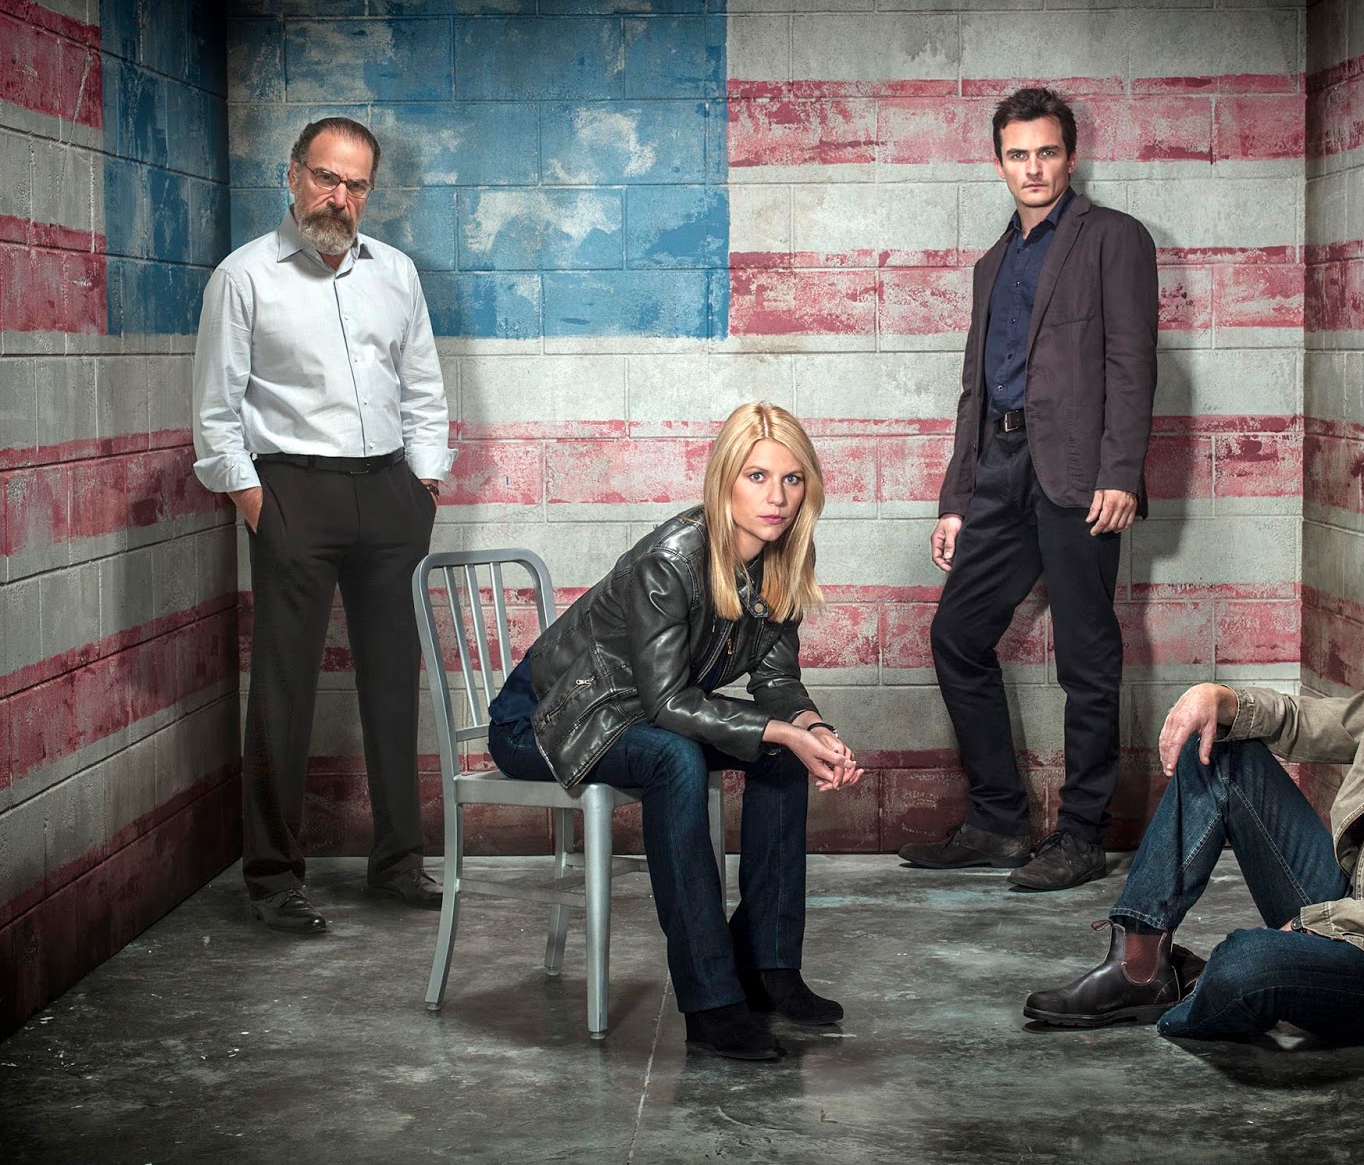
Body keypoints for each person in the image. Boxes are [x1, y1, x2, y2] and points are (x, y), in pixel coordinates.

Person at [1023, 538, 1364, 1046]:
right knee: (1222, 750)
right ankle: (1138, 964)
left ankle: (1203, 986)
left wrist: (1318, 922)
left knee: (1247, 962)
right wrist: (1222, 699)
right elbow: (1313, 722)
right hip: (1358, 909)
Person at [487, 402, 864, 1062]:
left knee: (780, 757)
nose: (777, 498)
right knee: (675, 758)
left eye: (792, 479)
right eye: (757, 477)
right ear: (724, 481)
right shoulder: (674, 558)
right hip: (547, 719)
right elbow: (666, 703)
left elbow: (777, 682)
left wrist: (813, 730)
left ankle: (769, 965)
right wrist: (783, 730)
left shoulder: (782, 555)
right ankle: (711, 1001)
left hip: (635, 713)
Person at [192, 117, 454, 934]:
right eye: (325, 177)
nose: (339, 197)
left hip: (389, 494)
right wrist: (259, 508)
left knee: (394, 682)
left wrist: (424, 485)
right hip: (291, 493)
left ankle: (399, 863)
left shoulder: (396, 273)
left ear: (370, 192)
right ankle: (273, 878)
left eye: (356, 185)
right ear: (293, 174)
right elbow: (216, 415)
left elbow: (423, 386)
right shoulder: (243, 277)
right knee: (282, 689)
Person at [899, 86, 1159, 891]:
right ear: (999, 164)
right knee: (957, 635)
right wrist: (956, 498)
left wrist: (1120, 472)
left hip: (1079, 476)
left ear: (1071, 158)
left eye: (1047, 152)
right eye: (1018, 155)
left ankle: (1081, 835)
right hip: (999, 470)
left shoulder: (1113, 238)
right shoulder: (992, 263)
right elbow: (973, 388)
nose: (1033, 168)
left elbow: (1132, 363)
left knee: (1085, 655)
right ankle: (1000, 822)